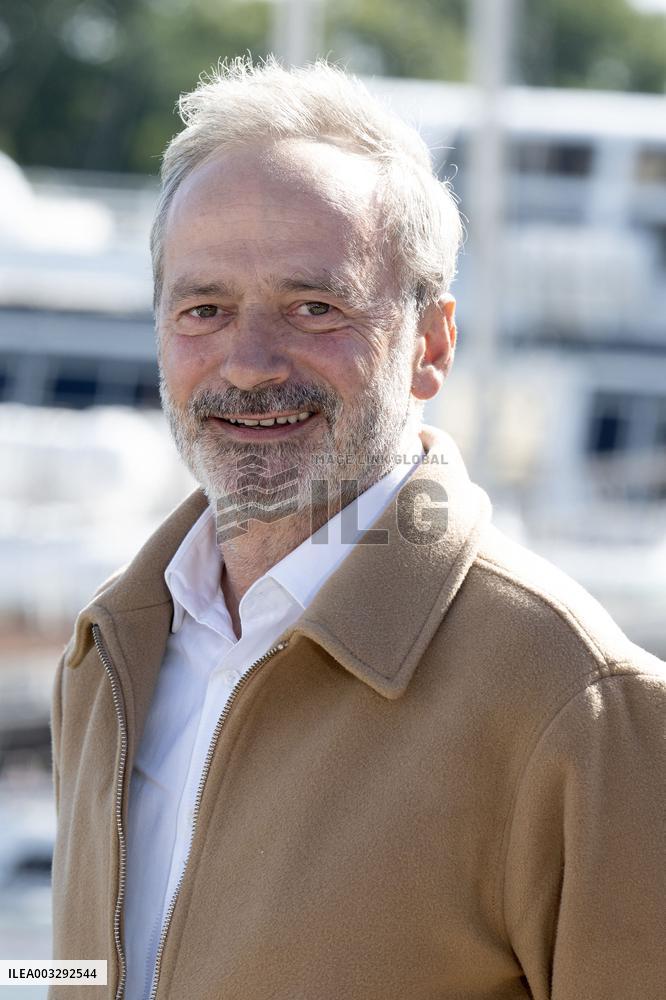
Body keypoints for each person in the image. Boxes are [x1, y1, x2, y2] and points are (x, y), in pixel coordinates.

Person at [50, 58, 666, 1000]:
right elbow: (86, 971)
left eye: (315, 308)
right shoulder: (108, 657)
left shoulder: (580, 704)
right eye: (204, 309)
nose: (249, 364)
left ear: (430, 346)